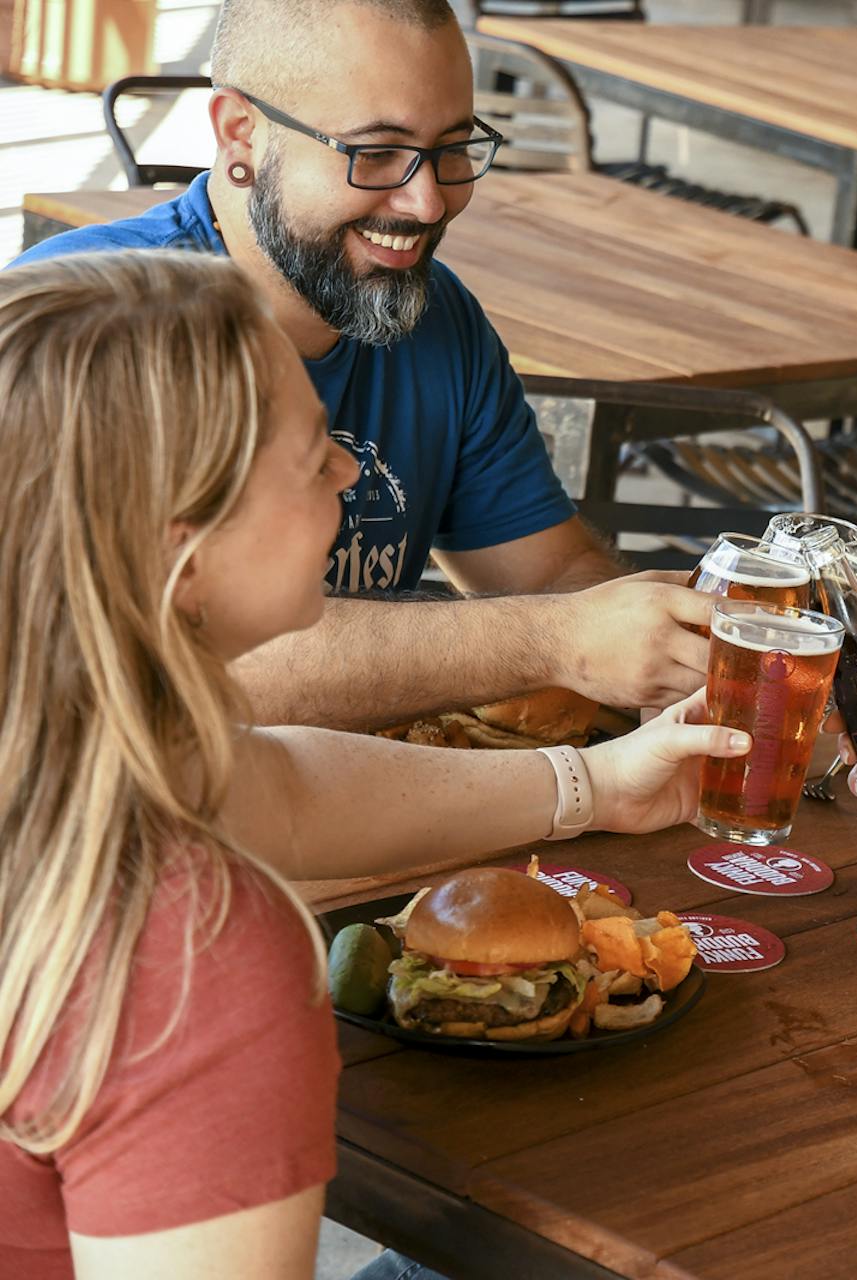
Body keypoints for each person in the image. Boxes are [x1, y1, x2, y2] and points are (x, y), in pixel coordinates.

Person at [0, 251, 752, 1279]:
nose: (353, 472)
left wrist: (597, 783)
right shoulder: (192, 955)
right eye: (315, 458)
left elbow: (276, 784)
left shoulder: (66, 752)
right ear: (185, 553)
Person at [9, 0, 713, 731]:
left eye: (452, 148)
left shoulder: (439, 318)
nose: (428, 199)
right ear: (240, 131)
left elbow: (555, 578)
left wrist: (665, 646)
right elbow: (177, 668)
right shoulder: (93, 328)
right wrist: (554, 641)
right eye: (375, 153)